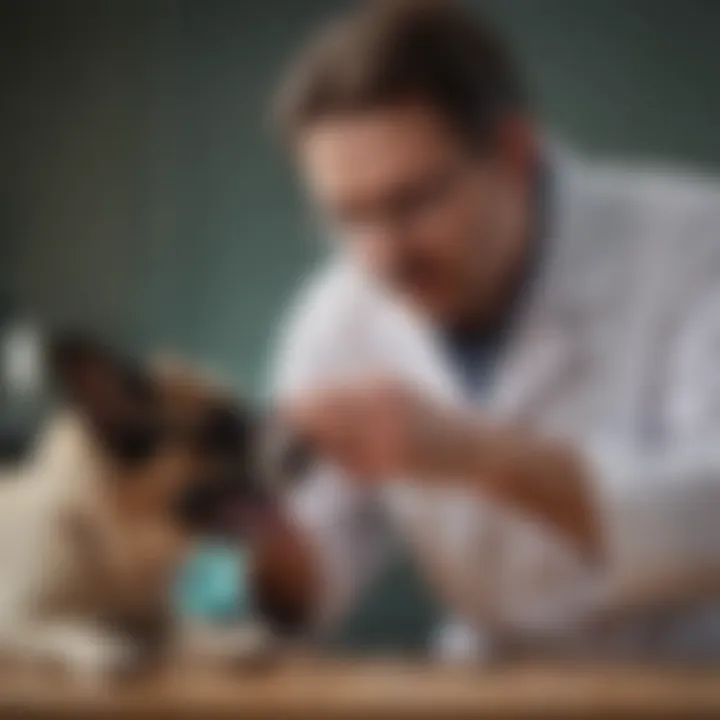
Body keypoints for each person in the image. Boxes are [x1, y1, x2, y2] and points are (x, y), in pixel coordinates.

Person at [249, 0, 720, 661]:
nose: (382, 257)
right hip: (491, 681)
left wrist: (474, 454)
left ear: (514, 150)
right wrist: (255, 536)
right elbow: (317, 570)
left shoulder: (697, 247)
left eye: (410, 202)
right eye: (347, 217)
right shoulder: (337, 313)